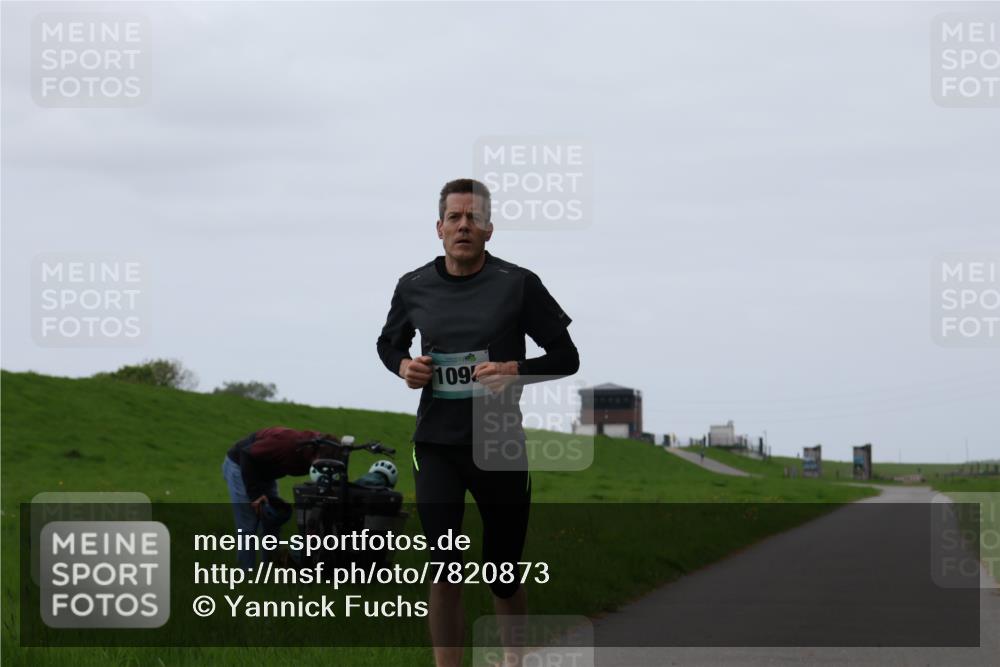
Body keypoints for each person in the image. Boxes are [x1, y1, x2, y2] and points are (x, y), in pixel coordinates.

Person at [376, 178, 580, 667]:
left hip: (499, 445)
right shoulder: (414, 286)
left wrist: (516, 371)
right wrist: (406, 366)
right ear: (439, 228)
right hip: (437, 444)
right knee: (444, 569)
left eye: (473, 218)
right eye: (454, 217)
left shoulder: (518, 283)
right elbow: (388, 344)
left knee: (503, 573)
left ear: (489, 228)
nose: (463, 225)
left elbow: (567, 357)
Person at [223, 426, 339, 569]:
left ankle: (270, 571)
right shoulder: (287, 444)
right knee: (249, 524)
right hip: (241, 467)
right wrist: (255, 495)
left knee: (272, 520)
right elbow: (246, 454)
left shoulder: (325, 452)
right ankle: (246, 574)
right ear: (316, 455)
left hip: (267, 473)